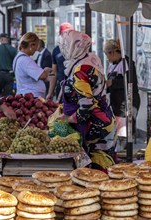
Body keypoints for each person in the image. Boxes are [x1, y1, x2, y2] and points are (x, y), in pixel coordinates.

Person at [59, 30, 115, 169]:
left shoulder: (80, 70)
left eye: (65, 45)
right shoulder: (90, 58)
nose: (63, 49)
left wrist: (69, 119)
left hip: (94, 126)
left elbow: (87, 105)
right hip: (103, 120)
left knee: (97, 172)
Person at [104, 39, 141, 150]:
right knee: (117, 131)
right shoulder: (112, 65)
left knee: (124, 132)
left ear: (112, 52)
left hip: (127, 102)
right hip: (116, 102)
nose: (107, 58)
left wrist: (112, 83)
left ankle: (125, 155)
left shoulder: (127, 63)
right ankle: (119, 153)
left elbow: (131, 82)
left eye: (107, 54)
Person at [13, 32, 52, 98]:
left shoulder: (19, 57)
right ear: (31, 45)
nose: (36, 49)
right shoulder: (25, 60)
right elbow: (42, 75)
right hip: (30, 97)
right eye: (36, 46)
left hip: (28, 95)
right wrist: (46, 70)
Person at [50, 22, 74, 101]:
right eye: (64, 34)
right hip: (61, 86)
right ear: (60, 34)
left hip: (76, 86)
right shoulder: (56, 50)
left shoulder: (78, 49)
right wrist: (50, 92)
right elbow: (54, 73)